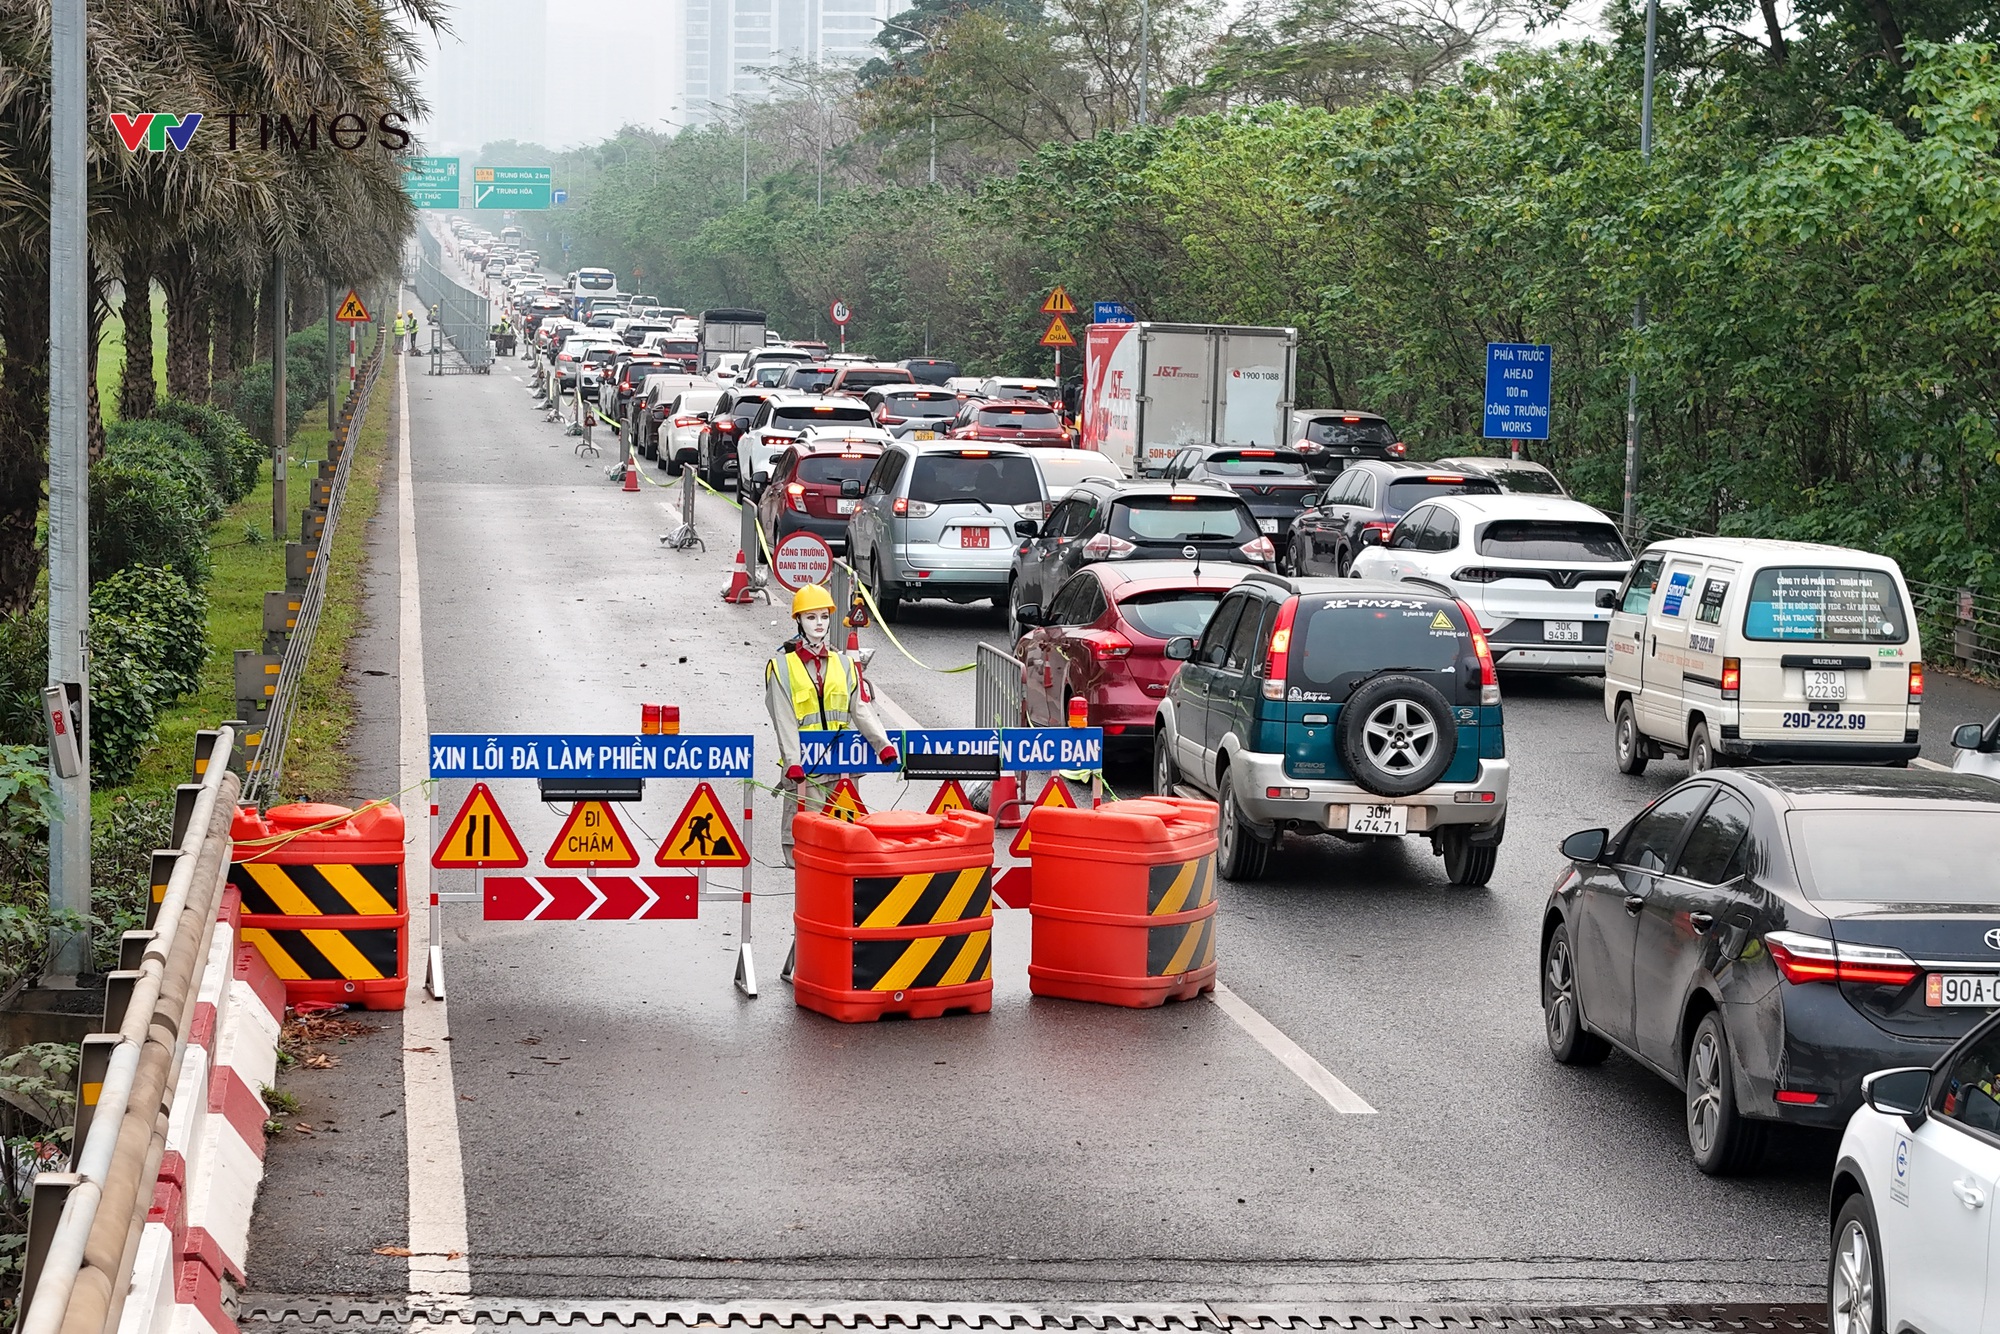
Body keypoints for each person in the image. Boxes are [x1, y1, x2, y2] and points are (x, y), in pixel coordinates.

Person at [766, 584, 897, 866]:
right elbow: (783, 719)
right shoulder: (782, 667)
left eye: (824, 617)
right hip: (806, 770)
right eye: (811, 617)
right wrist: (792, 762)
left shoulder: (844, 664)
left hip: (842, 765)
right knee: (809, 843)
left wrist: (882, 745)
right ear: (798, 620)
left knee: (849, 840)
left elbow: (860, 709)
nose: (818, 624)